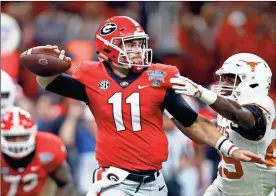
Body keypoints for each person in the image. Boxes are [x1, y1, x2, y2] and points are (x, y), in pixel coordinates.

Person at [29, 16, 263, 196]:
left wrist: (229, 149)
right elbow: (50, 83)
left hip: (155, 182)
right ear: (109, 49)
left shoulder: (158, 77)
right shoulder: (93, 77)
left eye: (140, 44)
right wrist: (46, 66)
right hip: (116, 181)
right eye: (130, 45)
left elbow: (193, 123)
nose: (138, 51)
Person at [170, 53, 275, 196]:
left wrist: (200, 92)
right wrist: (169, 106)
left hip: (258, 189)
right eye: (224, 78)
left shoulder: (262, 103)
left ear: (253, 81)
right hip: (225, 186)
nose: (224, 83)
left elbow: (240, 115)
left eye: (231, 79)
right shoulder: (228, 110)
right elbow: (202, 133)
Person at [1, 106, 74, 196]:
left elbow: (65, 182)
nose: (17, 142)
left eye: (23, 136)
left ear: (33, 133)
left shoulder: (47, 146)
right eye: (11, 137)